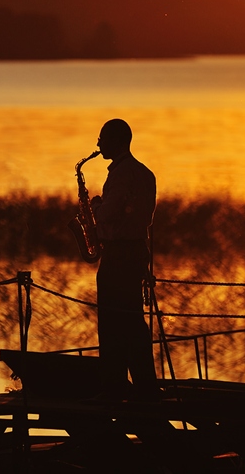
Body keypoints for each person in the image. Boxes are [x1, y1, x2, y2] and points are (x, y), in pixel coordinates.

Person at [90, 118, 159, 400]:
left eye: (102, 138)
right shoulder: (145, 173)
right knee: (132, 320)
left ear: (116, 141)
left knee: (111, 322)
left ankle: (114, 385)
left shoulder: (120, 175)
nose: (98, 143)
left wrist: (94, 206)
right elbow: (146, 218)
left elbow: (108, 215)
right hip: (136, 254)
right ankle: (145, 384)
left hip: (117, 256)